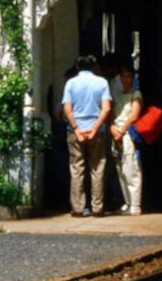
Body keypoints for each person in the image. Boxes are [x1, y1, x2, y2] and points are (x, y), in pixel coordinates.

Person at [62, 54, 113, 217]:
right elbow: (106, 109)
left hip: (75, 131)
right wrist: (95, 128)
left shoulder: (70, 83)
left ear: (78, 67)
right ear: (94, 67)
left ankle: (77, 208)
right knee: (97, 168)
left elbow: (67, 109)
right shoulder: (102, 82)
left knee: (77, 168)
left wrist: (76, 128)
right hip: (97, 131)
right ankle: (97, 208)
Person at [109, 62, 143, 215]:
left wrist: (120, 131)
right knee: (120, 169)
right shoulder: (117, 95)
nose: (125, 79)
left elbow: (134, 115)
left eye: (128, 76)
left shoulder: (136, 94)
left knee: (131, 167)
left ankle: (135, 204)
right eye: (123, 76)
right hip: (117, 132)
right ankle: (127, 201)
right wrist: (113, 129)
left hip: (128, 133)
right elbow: (112, 113)